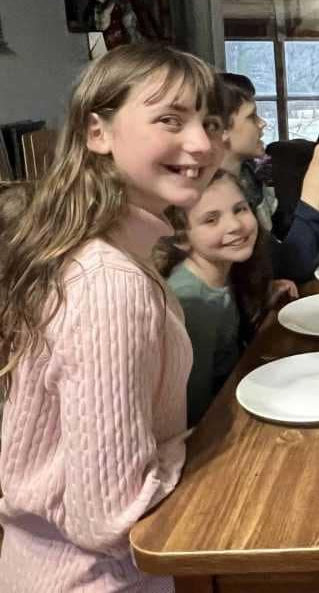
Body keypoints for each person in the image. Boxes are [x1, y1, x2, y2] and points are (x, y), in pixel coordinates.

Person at [0, 43, 222, 591]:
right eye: (170, 119)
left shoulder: (110, 254)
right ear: (98, 132)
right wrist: (191, 446)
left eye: (208, 123)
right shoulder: (109, 283)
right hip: (95, 579)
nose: (201, 144)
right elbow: (108, 518)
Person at [154, 171, 296, 427]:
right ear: (181, 238)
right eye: (211, 220)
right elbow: (194, 409)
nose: (235, 225)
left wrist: (264, 298)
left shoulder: (223, 274)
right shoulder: (193, 303)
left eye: (240, 209)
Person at [217, 73, 319, 280]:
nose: (262, 124)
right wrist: (315, 176)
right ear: (219, 129)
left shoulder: (249, 176)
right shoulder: (210, 197)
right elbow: (292, 264)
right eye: (251, 116)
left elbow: (288, 236)